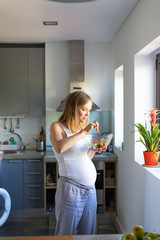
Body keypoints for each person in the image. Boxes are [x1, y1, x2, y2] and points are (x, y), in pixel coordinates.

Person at [50, 91, 106, 235]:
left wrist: (95, 148)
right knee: (65, 235)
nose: (87, 114)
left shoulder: (81, 130)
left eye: (89, 110)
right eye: (84, 109)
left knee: (88, 235)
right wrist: (84, 132)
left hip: (90, 191)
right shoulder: (57, 127)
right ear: (73, 107)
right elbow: (60, 147)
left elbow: (84, 158)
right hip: (70, 190)